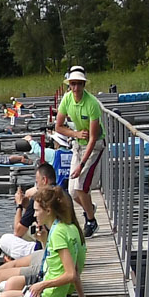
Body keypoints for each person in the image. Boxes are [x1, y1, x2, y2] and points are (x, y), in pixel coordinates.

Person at [55, 66, 104, 235]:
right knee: (72, 192)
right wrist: (75, 133)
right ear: (69, 85)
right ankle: (89, 208)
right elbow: (58, 127)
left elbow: (92, 137)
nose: (75, 88)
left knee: (81, 186)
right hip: (78, 144)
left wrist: (81, 165)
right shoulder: (67, 99)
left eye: (79, 84)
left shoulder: (92, 104)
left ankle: (91, 221)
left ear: (84, 85)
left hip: (94, 145)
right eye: (73, 84)